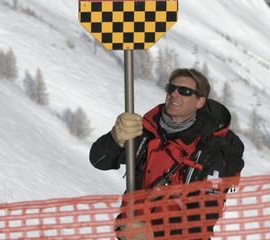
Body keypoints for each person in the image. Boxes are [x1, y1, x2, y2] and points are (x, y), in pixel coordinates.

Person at [89, 68, 244, 239]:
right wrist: (114, 139)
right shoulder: (145, 131)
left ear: (199, 102)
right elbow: (99, 161)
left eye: (185, 91)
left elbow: (205, 216)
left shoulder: (210, 150)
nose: (175, 94)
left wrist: (153, 235)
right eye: (171, 88)